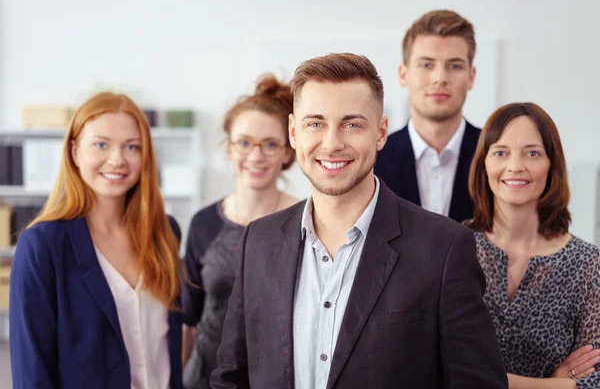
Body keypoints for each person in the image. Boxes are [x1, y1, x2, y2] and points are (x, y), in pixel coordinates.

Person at [210, 52, 507, 388]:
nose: (332, 143)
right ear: (294, 132)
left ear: (380, 133)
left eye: (352, 124)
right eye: (315, 124)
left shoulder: (443, 248)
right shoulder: (258, 242)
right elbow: (231, 377)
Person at [9, 92, 184, 389]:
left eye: (132, 146)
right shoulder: (42, 245)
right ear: (75, 152)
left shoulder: (165, 232)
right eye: (101, 144)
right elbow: (32, 371)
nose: (117, 159)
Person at [465, 102, 600, 388]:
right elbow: (434, 365)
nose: (515, 166)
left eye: (533, 153)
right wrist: (552, 385)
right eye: (501, 152)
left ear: (552, 164)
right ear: (484, 163)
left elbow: (594, 380)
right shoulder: (452, 247)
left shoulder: (589, 264)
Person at [181, 74, 300, 388]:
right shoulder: (203, 223)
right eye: (244, 143)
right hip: (203, 379)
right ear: (229, 149)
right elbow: (189, 321)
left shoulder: (308, 221)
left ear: (288, 152)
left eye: (270, 144)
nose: (256, 156)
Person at [374, 9, 481, 223]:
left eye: (455, 65)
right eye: (426, 65)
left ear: (471, 76)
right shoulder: (373, 157)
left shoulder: (495, 154)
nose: (440, 77)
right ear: (403, 74)